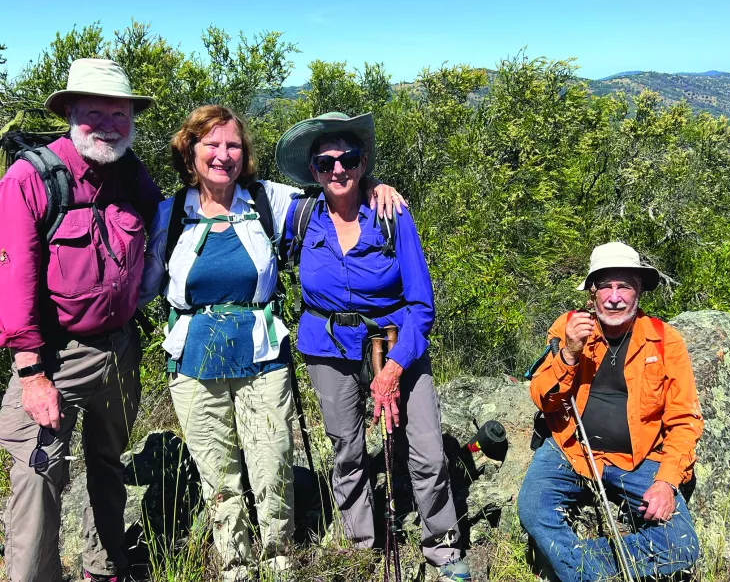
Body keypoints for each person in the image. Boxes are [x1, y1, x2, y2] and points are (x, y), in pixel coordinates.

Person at [138, 105, 403, 581]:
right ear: (190, 151)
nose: (223, 155)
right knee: (218, 474)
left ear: (246, 154)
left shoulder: (266, 201)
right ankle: (235, 563)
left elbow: (332, 194)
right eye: (211, 145)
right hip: (192, 361)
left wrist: (373, 185)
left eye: (233, 145)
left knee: (272, 462)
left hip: (262, 357)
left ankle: (280, 557)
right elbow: (145, 283)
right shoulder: (171, 213)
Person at [275, 111, 471, 582]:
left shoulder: (390, 213)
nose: (338, 170)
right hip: (327, 347)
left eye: (350, 159)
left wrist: (396, 367)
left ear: (363, 164)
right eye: (326, 163)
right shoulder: (301, 218)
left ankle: (443, 548)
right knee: (346, 449)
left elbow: (421, 304)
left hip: (394, 342)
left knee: (426, 449)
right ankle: (363, 544)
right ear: (314, 170)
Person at [0, 59, 163, 582]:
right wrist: (31, 373)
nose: (110, 124)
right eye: (95, 112)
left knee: (108, 466)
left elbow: (168, 223)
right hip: (54, 357)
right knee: (39, 477)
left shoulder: (131, 172)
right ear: (71, 112)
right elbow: (15, 278)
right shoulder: (31, 177)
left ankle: (104, 566)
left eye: (120, 113)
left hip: (119, 349)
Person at [518, 242, 704, 582]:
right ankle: (590, 571)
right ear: (593, 292)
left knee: (682, 546)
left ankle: (578, 565)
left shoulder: (665, 341)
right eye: (606, 286)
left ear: (638, 293)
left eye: (625, 287)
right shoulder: (569, 328)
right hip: (572, 448)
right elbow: (543, 398)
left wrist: (665, 481)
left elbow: (684, 419)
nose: (614, 297)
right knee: (533, 509)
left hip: (640, 459)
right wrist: (570, 355)